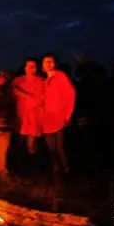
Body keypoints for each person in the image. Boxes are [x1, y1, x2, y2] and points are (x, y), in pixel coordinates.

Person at [42, 53, 76, 185]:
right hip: (48, 117)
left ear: (54, 63)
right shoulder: (45, 81)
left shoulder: (60, 76)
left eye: (50, 61)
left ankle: (66, 172)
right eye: (45, 62)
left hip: (59, 116)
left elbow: (71, 94)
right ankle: (57, 173)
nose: (48, 64)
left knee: (60, 147)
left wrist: (67, 115)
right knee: (51, 148)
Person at [12, 58, 45, 156]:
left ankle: (33, 165)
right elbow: (10, 96)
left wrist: (22, 94)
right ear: (25, 67)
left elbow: (39, 100)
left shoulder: (40, 81)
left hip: (33, 117)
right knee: (19, 143)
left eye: (33, 67)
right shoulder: (17, 81)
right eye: (28, 66)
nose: (30, 69)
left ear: (36, 68)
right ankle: (22, 166)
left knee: (31, 144)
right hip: (19, 116)